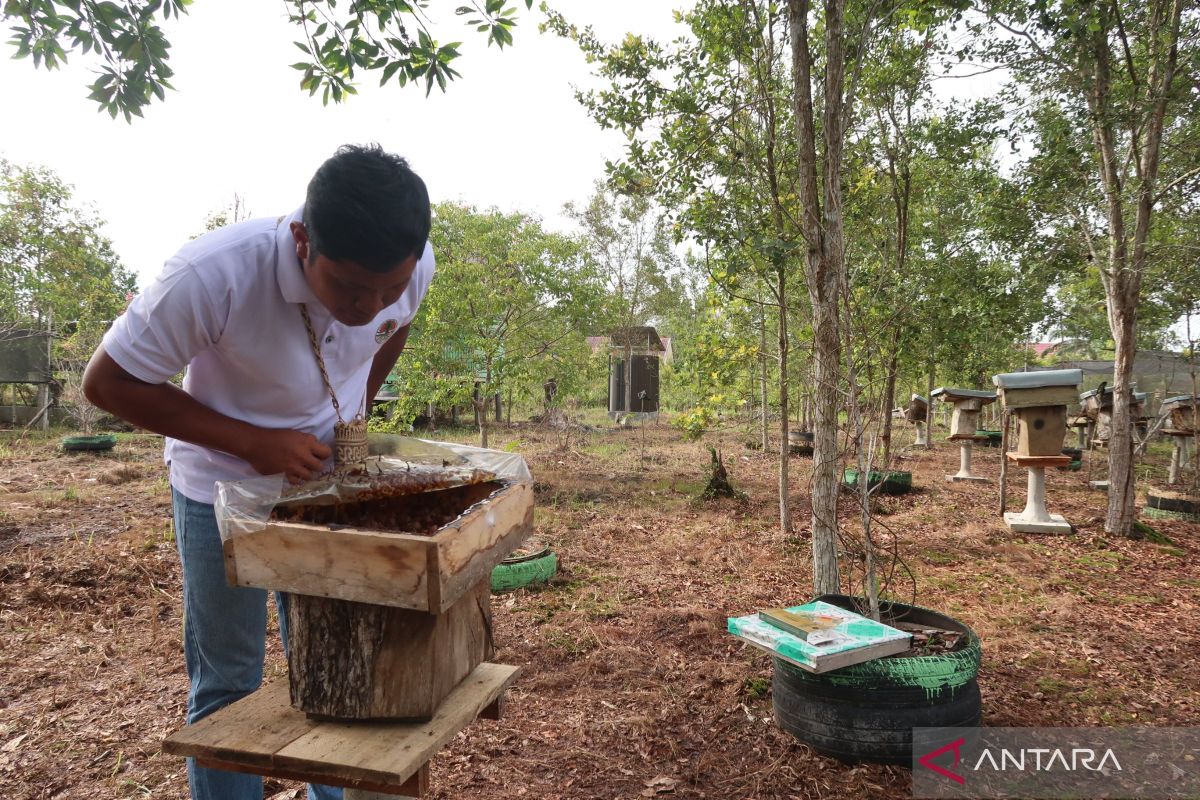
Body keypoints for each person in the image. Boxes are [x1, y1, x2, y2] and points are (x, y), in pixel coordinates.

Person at [82, 144, 435, 800]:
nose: (367, 306)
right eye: (351, 288)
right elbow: (107, 382)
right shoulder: (212, 275)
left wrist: (352, 422)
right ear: (302, 240)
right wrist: (251, 443)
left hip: (322, 483)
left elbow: (396, 324)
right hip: (218, 488)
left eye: (387, 287)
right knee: (228, 681)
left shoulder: (407, 269)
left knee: (333, 664)